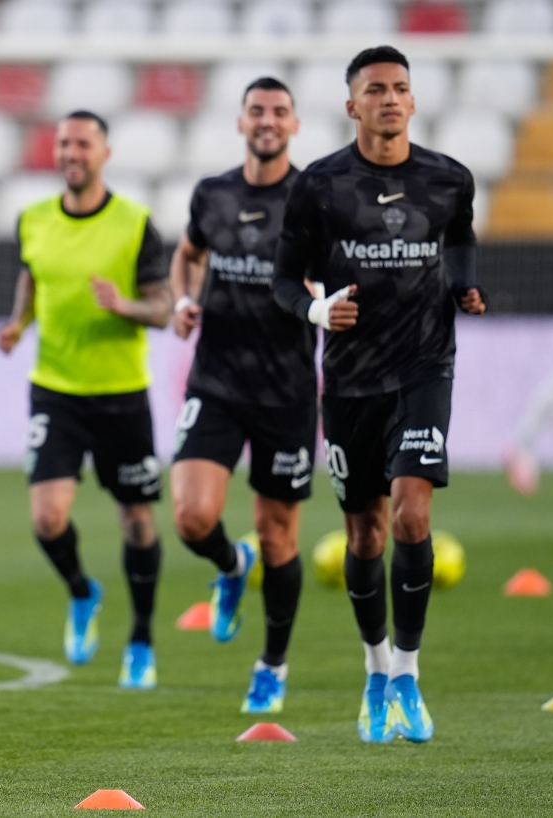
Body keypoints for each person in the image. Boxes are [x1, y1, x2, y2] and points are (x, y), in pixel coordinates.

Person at [273, 46, 486, 744]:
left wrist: (462, 286)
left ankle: (409, 676)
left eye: (400, 88)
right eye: (375, 89)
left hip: (426, 369)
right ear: (351, 104)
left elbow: (458, 243)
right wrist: (314, 311)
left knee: (412, 518)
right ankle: (374, 668)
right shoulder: (320, 186)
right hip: (352, 381)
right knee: (363, 529)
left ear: (413, 101)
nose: (390, 99)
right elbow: (283, 280)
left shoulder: (449, 179)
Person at [0, 110, 172, 688]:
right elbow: (32, 275)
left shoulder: (135, 222)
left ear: (105, 154)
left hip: (121, 394)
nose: (71, 152)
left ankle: (142, 639)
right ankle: (82, 591)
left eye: (83, 144)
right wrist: (18, 322)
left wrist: (125, 306)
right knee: (47, 519)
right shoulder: (35, 219)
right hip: (57, 390)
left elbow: (164, 307)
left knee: (138, 521)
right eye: (64, 143)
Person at [168, 77, 316, 714]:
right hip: (218, 380)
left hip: (286, 389)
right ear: (241, 122)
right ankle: (231, 565)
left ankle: (273, 665)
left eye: (279, 111)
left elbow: (339, 276)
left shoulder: (315, 198)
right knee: (192, 517)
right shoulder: (214, 193)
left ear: (294, 124)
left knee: (280, 535)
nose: (267, 120)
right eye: (257, 110)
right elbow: (187, 254)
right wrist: (181, 298)